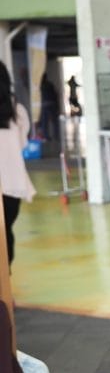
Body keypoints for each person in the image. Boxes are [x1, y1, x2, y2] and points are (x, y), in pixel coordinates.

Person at [0, 61, 36, 265]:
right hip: (13, 184)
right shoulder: (17, 111)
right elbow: (22, 143)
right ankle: (5, 286)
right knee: (6, 234)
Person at [37, 73, 60, 142]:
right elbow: (55, 95)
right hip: (50, 105)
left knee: (46, 122)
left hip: (46, 105)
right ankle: (55, 136)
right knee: (53, 122)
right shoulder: (49, 85)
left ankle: (47, 136)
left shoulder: (41, 85)